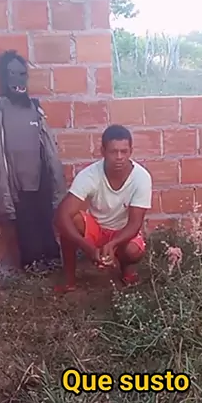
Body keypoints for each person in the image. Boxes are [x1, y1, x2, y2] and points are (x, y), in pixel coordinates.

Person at [0, 50, 66, 271]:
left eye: (22, 74)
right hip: (17, 185)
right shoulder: (0, 109)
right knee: (26, 230)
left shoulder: (34, 107)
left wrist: (55, 180)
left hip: (40, 178)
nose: (18, 79)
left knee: (46, 224)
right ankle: (33, 268)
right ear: (4, 78)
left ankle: (53, 263)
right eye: (12, 74)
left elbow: (48, 147)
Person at [54, 124, 152, 292]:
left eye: (124, 151)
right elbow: (61, 215)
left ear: (131, 151)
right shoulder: (90, 175)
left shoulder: (141, 178)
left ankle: (126, 270)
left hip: (122, 232)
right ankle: (69, 280)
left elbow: (135, 224)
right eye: (113, 152)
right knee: (69, 220)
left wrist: (113, 244)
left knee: (133, 251)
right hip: (96, 229)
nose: (119, 157)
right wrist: (88, 248)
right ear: (103, 151)